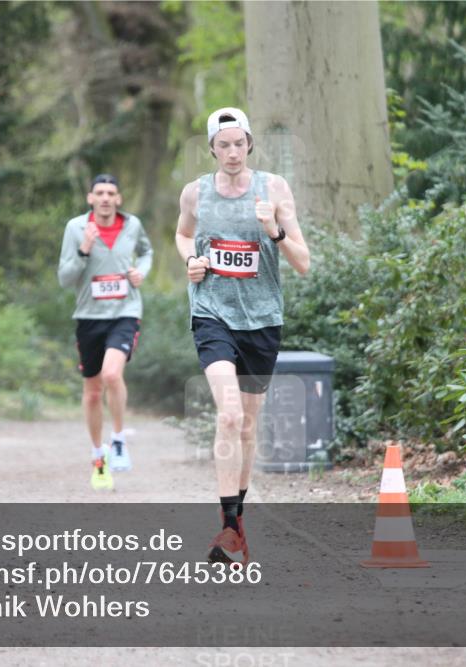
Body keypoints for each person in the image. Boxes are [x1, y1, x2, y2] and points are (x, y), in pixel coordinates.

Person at [175, 108, 310, 565]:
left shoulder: (273, 188)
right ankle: (228, 529)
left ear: (249, 144)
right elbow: (181, 233)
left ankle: (238, 523)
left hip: (263, 320)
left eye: (239, 143)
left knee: (248, 425)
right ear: (211, 147)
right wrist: (191, 260)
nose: (232, 152)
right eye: (223, 144)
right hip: (212, 314)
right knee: (230, 415)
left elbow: (303, 261)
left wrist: (273, 231)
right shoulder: (195, 193)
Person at [58, 174, 153, 490]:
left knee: (112, 374)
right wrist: (84, 249)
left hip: (125, 312)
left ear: (119, 199)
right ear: (90, 198)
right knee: (93, 390)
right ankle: (98, 456)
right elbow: (65, 278)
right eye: (99, 193)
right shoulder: (75, 228)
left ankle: (119, 439)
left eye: (111, 193)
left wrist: (142, 272)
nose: (105, 198)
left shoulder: (133, 225)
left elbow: (147, 252)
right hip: (88, 316)